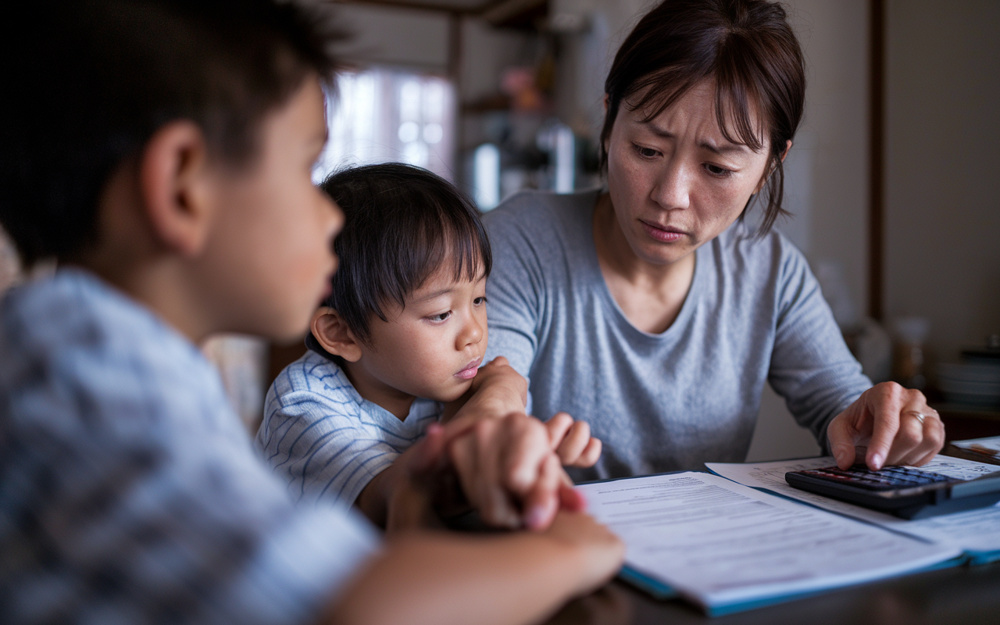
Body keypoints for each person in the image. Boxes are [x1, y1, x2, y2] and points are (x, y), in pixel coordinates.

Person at [0, 1, 623, 623]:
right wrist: (568, 551)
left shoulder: (101, 354)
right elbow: (359, 606)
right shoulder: (88, 380)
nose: (329, 218)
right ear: (181, 186)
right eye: (304, 170)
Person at [482, 0, 944, 482]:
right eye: (647, 150)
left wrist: (883, 425)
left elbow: (843, 406)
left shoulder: (770, 272)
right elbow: (492, 395)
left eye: (717, 168)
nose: (670, 196)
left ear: (768, 168)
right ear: (609, 121)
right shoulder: (521, 241)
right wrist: (491, 420)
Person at [257, 162, 601, 529]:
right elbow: (392, 501)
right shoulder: (304, 404)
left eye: (479, 299)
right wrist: (494, 406)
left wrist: (525, 445)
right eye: (440, 314)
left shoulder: (447, 382)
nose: (474, 334)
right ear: (342, 333)